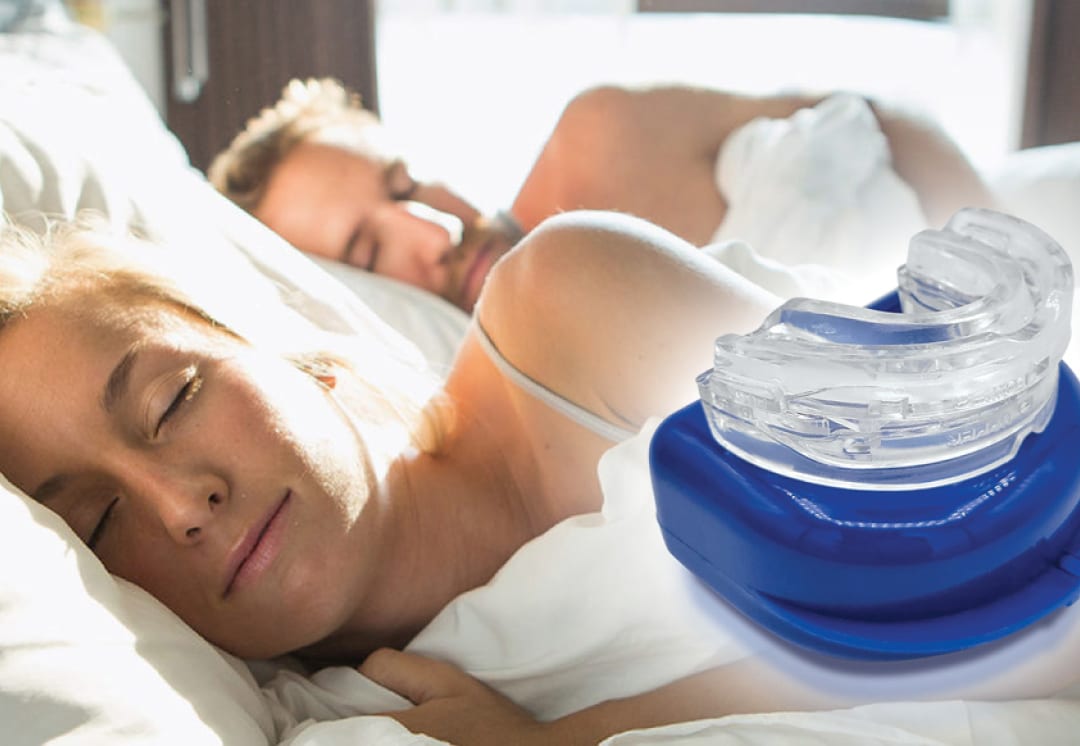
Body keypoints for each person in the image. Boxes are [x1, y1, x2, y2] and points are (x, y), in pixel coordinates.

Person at [0, 210, 1062, 746]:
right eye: (98, 522)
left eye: (172, 399)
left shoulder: (566, 315)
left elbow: (1019, 573)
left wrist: (569, 739)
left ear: (286, 353)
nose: (180, 506)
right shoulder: (341, 722)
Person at [207, 77, 998, 313]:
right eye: (369, 250)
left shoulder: (601, 138)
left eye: (404, 183)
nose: (435, 227)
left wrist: (1008, 261)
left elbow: (875, 118)